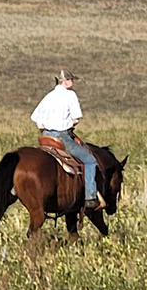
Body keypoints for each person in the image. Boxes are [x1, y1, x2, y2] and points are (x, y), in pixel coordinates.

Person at [30, 69, 101, 210]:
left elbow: (35, 118)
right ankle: (90, 197)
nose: (72, 82)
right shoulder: (70, 95)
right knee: (90, 161)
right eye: (71, 80)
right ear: (66, 81)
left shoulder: (48, 96)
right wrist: (69, 124)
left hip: (45, 137)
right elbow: (76, 119)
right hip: (62, 137)